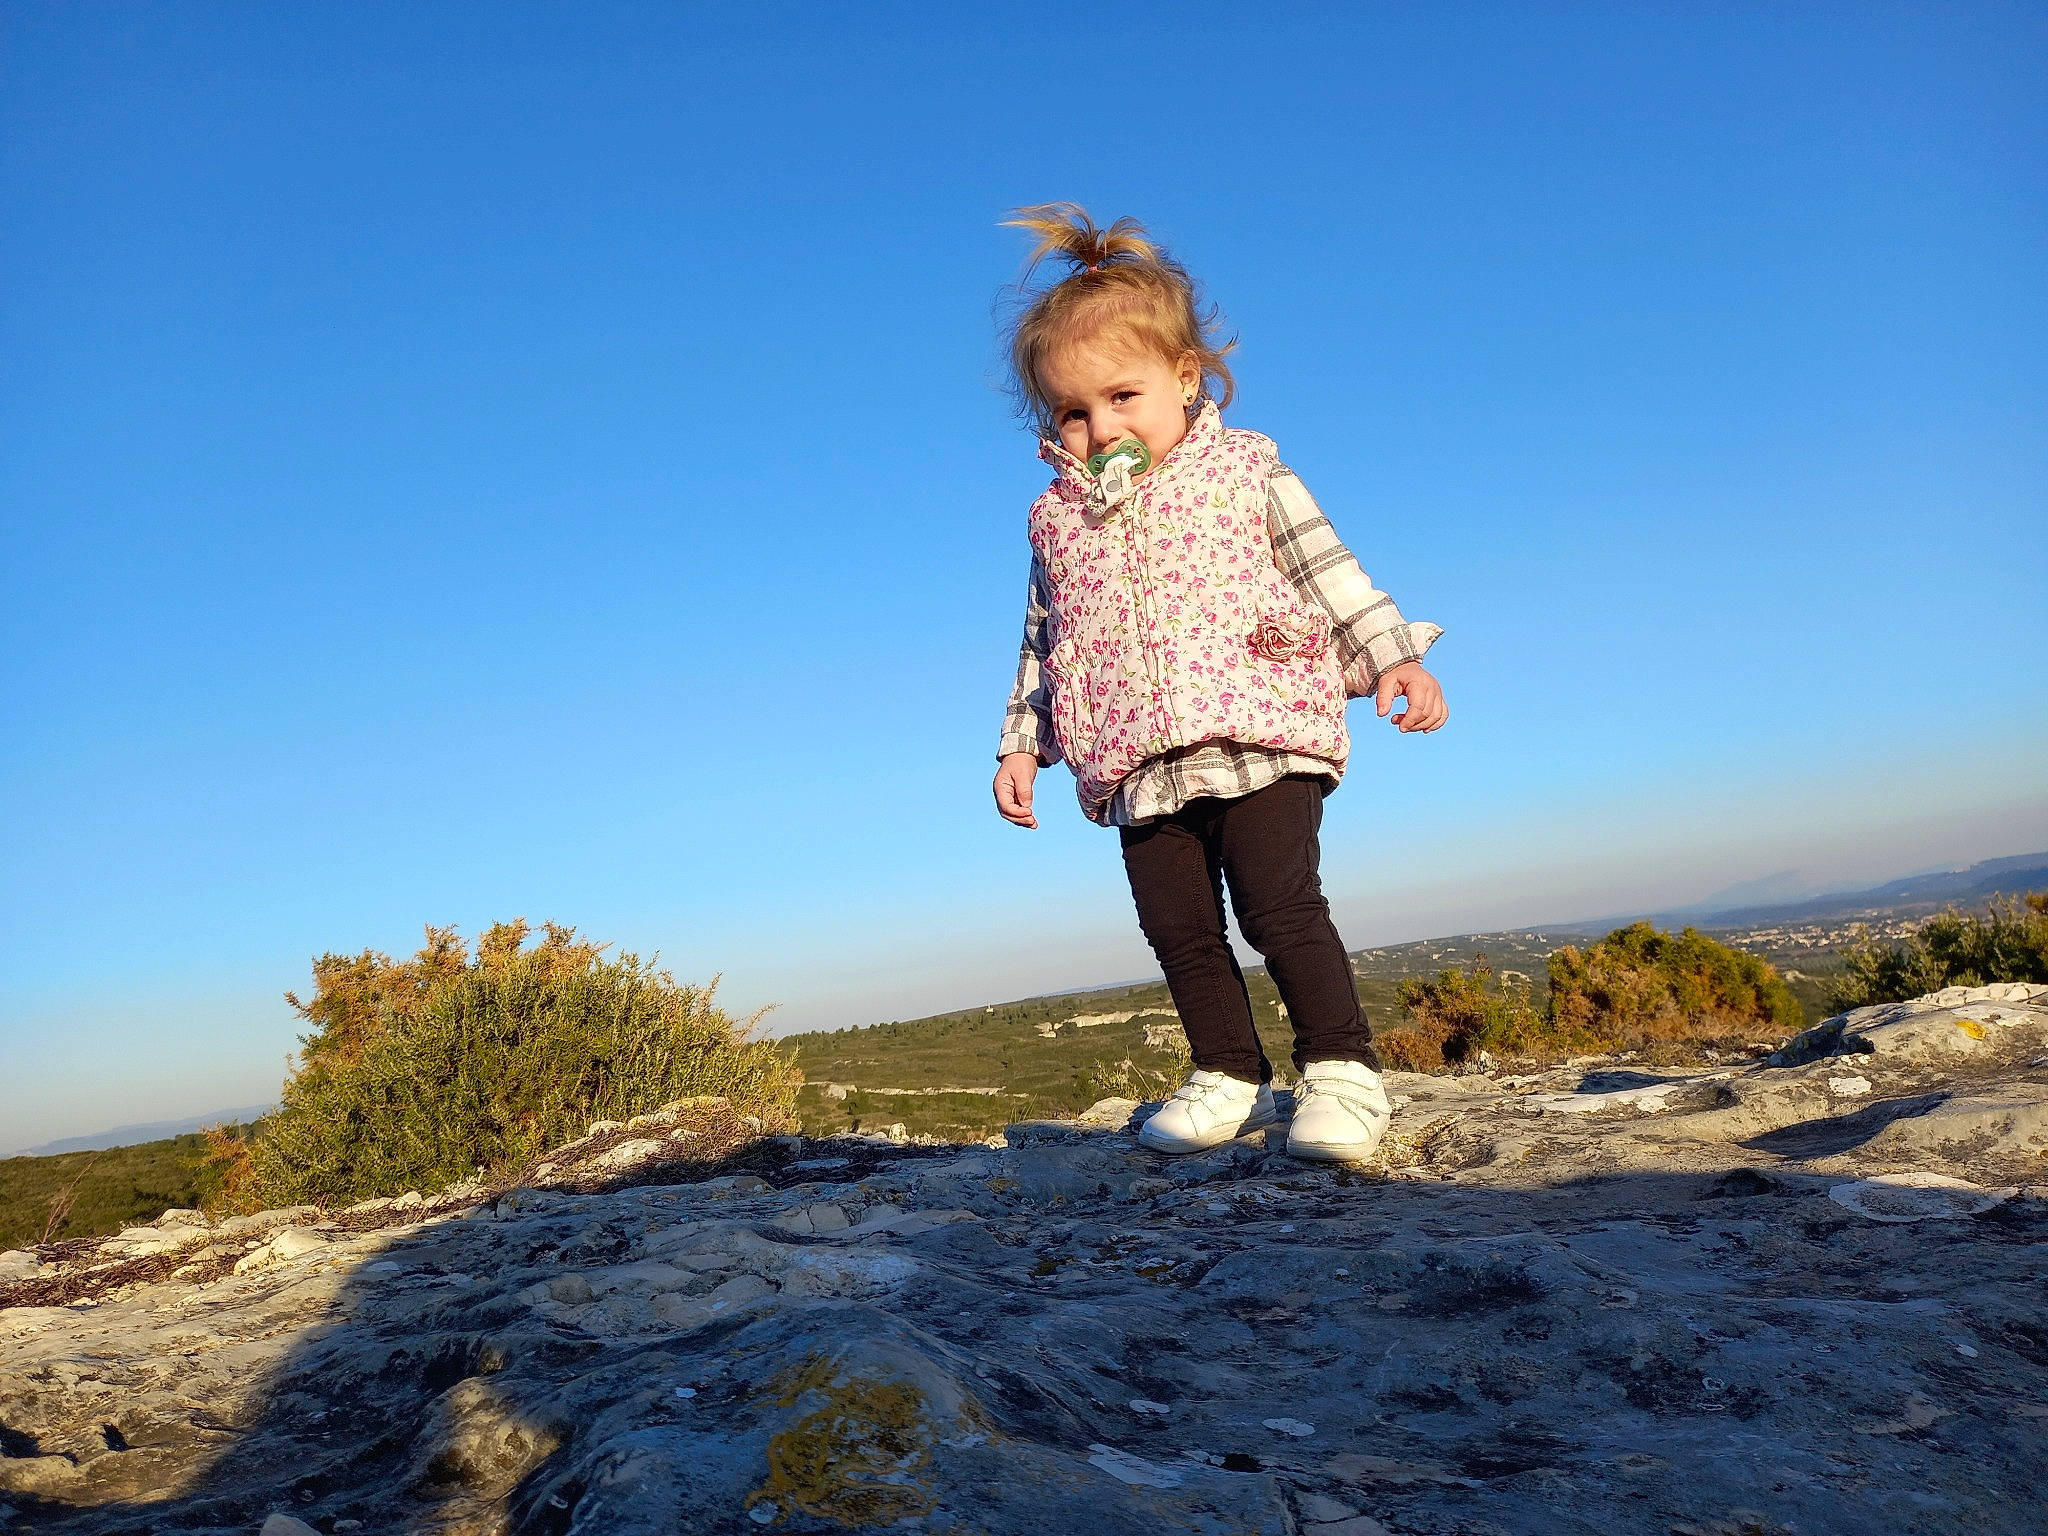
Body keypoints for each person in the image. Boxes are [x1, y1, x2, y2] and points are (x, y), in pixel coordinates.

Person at [991, 204, 1448, 1163]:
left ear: (1185, 379)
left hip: (1258, 725)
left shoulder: (1244, 468)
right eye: (1072, 412)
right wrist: (1023, 744)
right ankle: (1227, 1071)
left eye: (1122, 397)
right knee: (1179, 925)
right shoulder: (1053, 521)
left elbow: (1328, 568)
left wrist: (1392, 654)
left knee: (1278, 905)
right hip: (1134, 756)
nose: (1099, 426)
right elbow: (1044, 639)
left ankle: (1343, 1068)